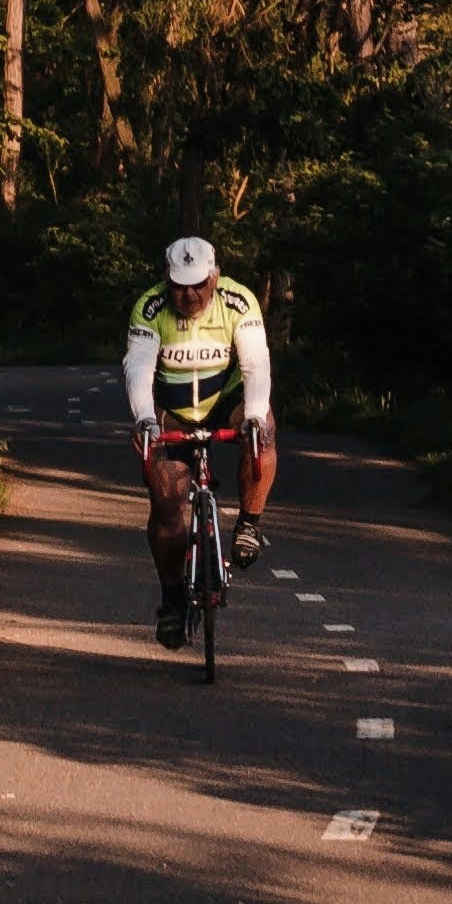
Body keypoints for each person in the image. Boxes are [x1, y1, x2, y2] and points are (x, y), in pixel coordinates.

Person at [122, 234, 276, 648]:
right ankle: (172, 598)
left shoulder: (238, 302)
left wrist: (256, 416)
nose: (189, 294)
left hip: (224, 399)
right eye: (179, 285)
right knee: (167, 498)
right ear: (166, 280)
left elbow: (256, 364)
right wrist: (145, 420)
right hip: (172, 408)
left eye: (198, 284)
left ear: (215, 275)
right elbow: (138, 369)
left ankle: (249, 524)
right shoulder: (150, 307)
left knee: (263, 426)